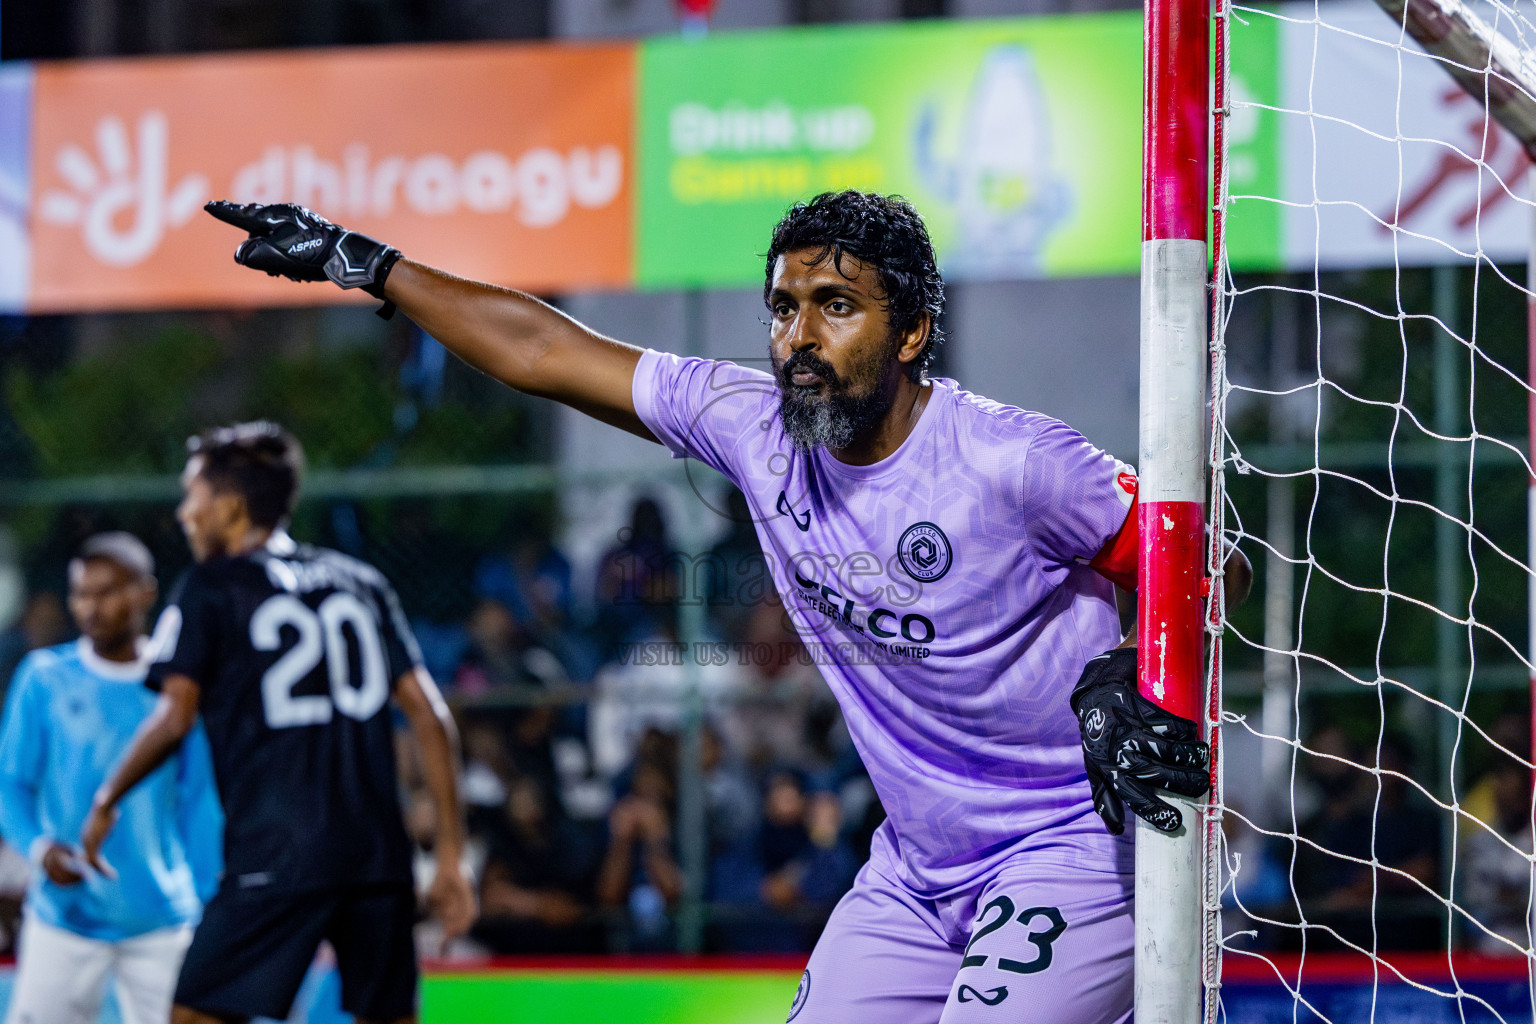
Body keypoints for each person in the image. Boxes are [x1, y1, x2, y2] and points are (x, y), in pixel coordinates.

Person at [204, 192, 1249, 1023]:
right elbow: (544, 350)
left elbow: (1214, 564)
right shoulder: (751, 427)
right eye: (785, 306)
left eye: (836, 306)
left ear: (915, 330)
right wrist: (368, 264)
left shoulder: (1014, 461)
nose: (799, 334)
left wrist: (1126, 661)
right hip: (920, 868)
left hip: (1075, 845)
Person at [79, 423, 476, 1024]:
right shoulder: (361, 581)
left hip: (278, 853)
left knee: (193, 1015)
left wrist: (108, 797)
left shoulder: (212, 588)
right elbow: (431, 715)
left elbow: (173, 716)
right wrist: (449, 858)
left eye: (194, 496)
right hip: (378, 857)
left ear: (231, 508)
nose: (184, 513)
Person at [0, 532, 222, 1024]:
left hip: (161, 917)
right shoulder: (43, 678)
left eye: (107, 592)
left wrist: (208, 900)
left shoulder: (176, 689)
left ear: (144, 593)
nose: (91, 607)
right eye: (81, 593)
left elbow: (199, 803)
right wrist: (40, 849)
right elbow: (9, 785)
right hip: (64, 916)